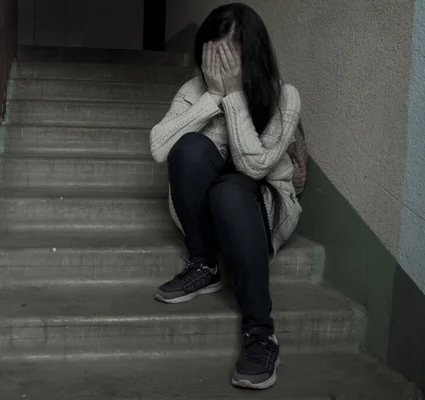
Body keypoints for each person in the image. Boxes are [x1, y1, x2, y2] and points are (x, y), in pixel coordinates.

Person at [149, 3, 302, 390]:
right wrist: (212, 99)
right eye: (210, 56)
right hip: (209, 216)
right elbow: (159, 145)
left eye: (228, 58)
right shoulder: (195, 90)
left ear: (252, 55)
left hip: (258, 216)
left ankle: (261, 333)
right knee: (188, 149)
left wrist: (233, 97)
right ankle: (204, 264)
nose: (216, 67)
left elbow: (253, 167)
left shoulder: (285, 97)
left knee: (232, 189)